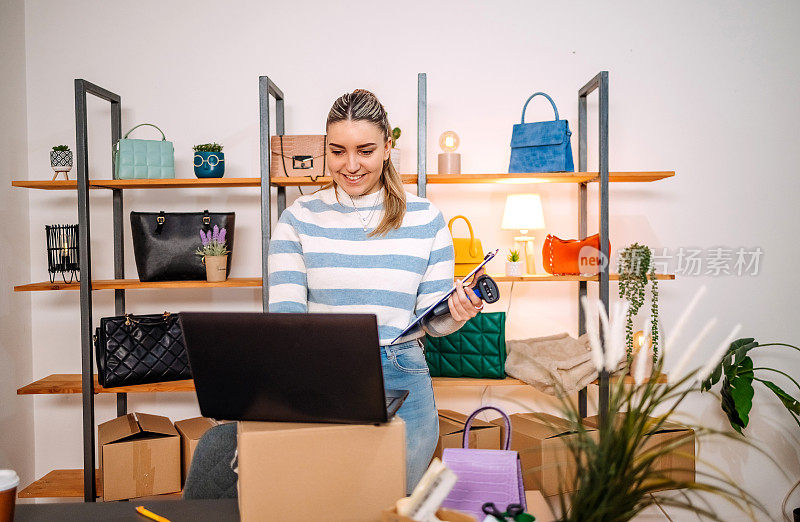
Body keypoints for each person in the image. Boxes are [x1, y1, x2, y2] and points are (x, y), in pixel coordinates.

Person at [267, 89, 484, 492]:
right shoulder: (297, 219)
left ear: (387, 147)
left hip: (403, 372)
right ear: (325, 151)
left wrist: (457, 312)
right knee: (333, 501)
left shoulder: (426, 219)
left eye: (365, 150)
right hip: (323, 372)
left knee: (394, 502)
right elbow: (286, 323)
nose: (351, 166)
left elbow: (432, 325)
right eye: (338, 151)